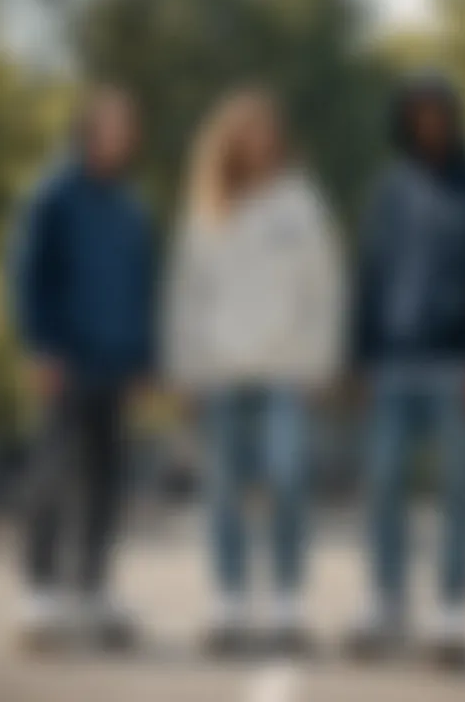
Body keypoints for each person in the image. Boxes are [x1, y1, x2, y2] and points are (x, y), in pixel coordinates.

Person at [164, 90, 344, 655]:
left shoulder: (303, 202)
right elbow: (185, 294)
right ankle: (229, 606)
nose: (257, 140)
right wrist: (185, 368)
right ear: (227, 140)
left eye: (266, 129)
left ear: (278, 137)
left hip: (287, 374)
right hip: (220, 374)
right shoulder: (206, 205)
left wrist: (321, 361)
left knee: (288, 484)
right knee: (223, 493)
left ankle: (288, 606)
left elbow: (328, 289)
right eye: (245, 131)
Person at [346, 72, 465, 663]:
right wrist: (359, 360)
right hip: (392, 363)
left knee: (462, 491)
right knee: (385, 483)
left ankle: (452, 610)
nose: (430, 123)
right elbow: (369, 274)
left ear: (455, 117)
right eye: (418, 114)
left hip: (459, 365)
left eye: (439, 113)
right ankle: (387, 601)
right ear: (406, 121)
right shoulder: (389, 190)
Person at [11, 86, 155, 648]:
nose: (125, 134)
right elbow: (28, 276)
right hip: (65, 360)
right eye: (116, 124)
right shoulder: (53, 195)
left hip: (117, 363)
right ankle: (40, 593)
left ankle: (92, 588)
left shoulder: (131, 207)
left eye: (130, 126)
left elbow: (142, 286)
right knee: (51, 474)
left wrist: (145, 358)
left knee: (106, 479)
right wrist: (40, 345)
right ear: (90, 129)